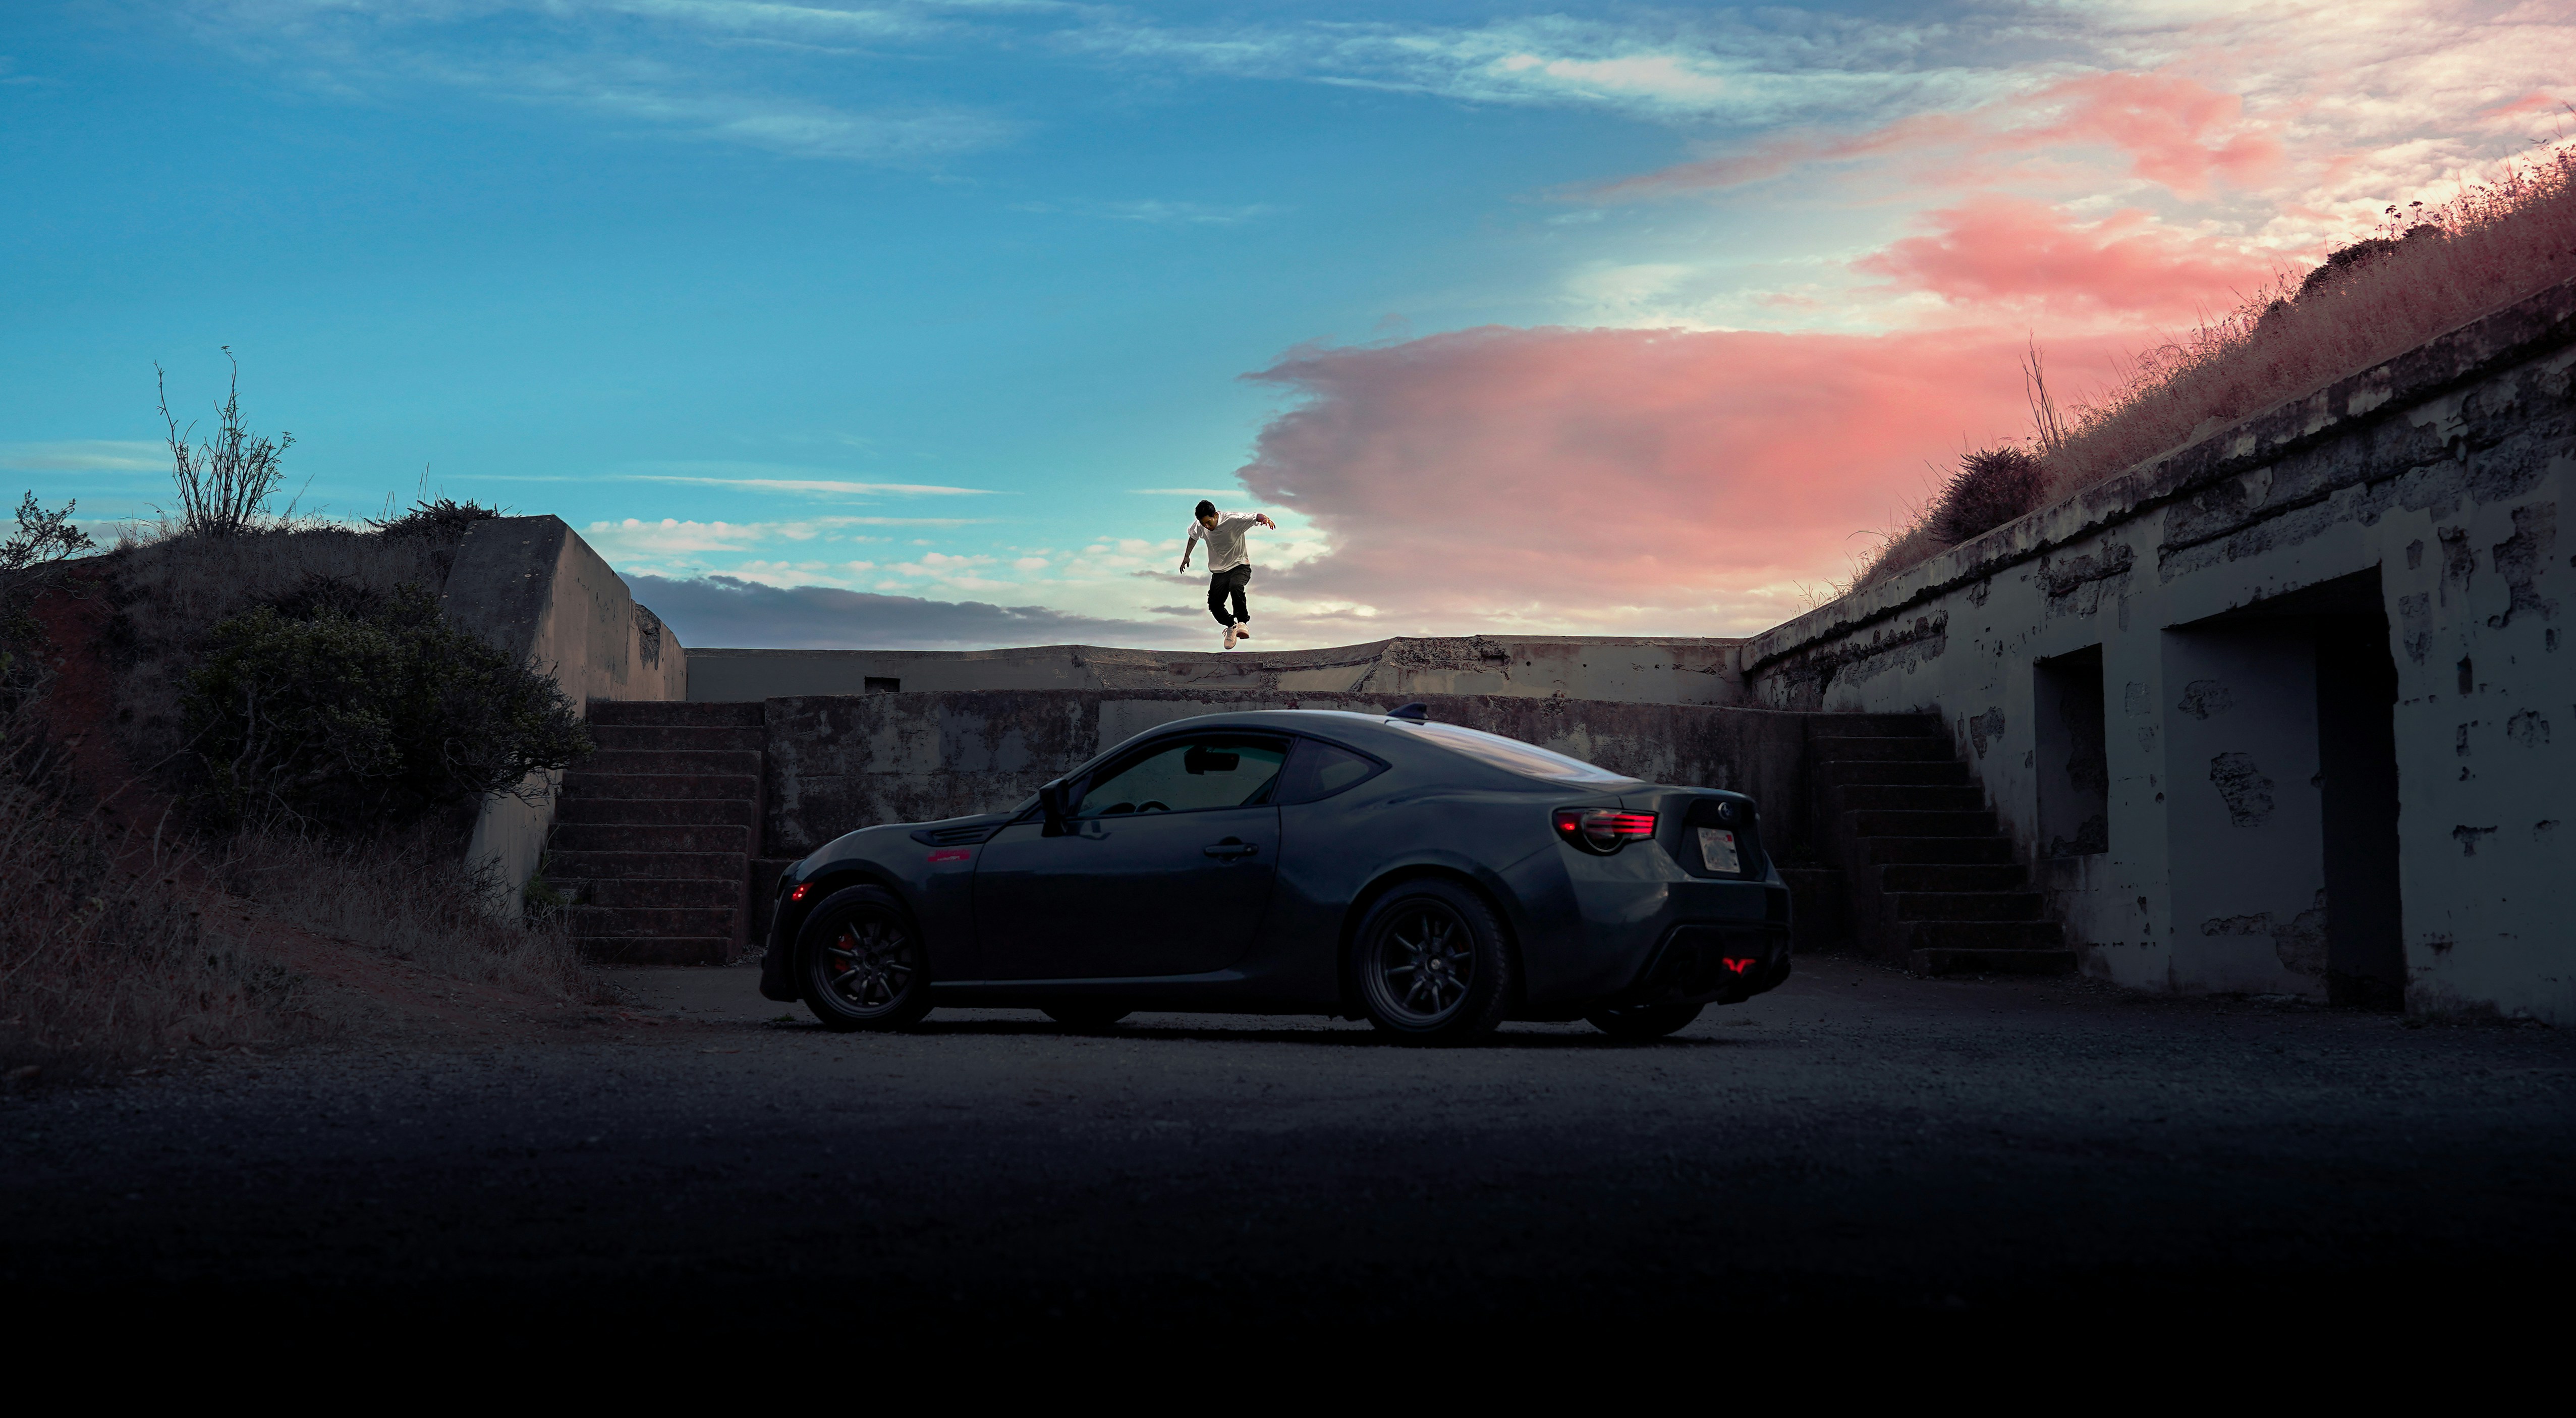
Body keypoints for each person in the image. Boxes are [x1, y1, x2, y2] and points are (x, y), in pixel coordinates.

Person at [1178, 499, 1275, 650]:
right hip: (1219, 572)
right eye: (1204, 524)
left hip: (1240, 565)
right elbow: (1193, 536)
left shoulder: (1233, 519)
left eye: (1209, 522)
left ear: (1215, 515)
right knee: (1214, 605)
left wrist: (1265, 519)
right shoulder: (1200, 525)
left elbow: (1256, 516)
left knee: (1236, 587)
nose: (1207, 527)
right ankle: (1231, 626)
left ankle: (1242, 623)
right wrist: (1187, 556)